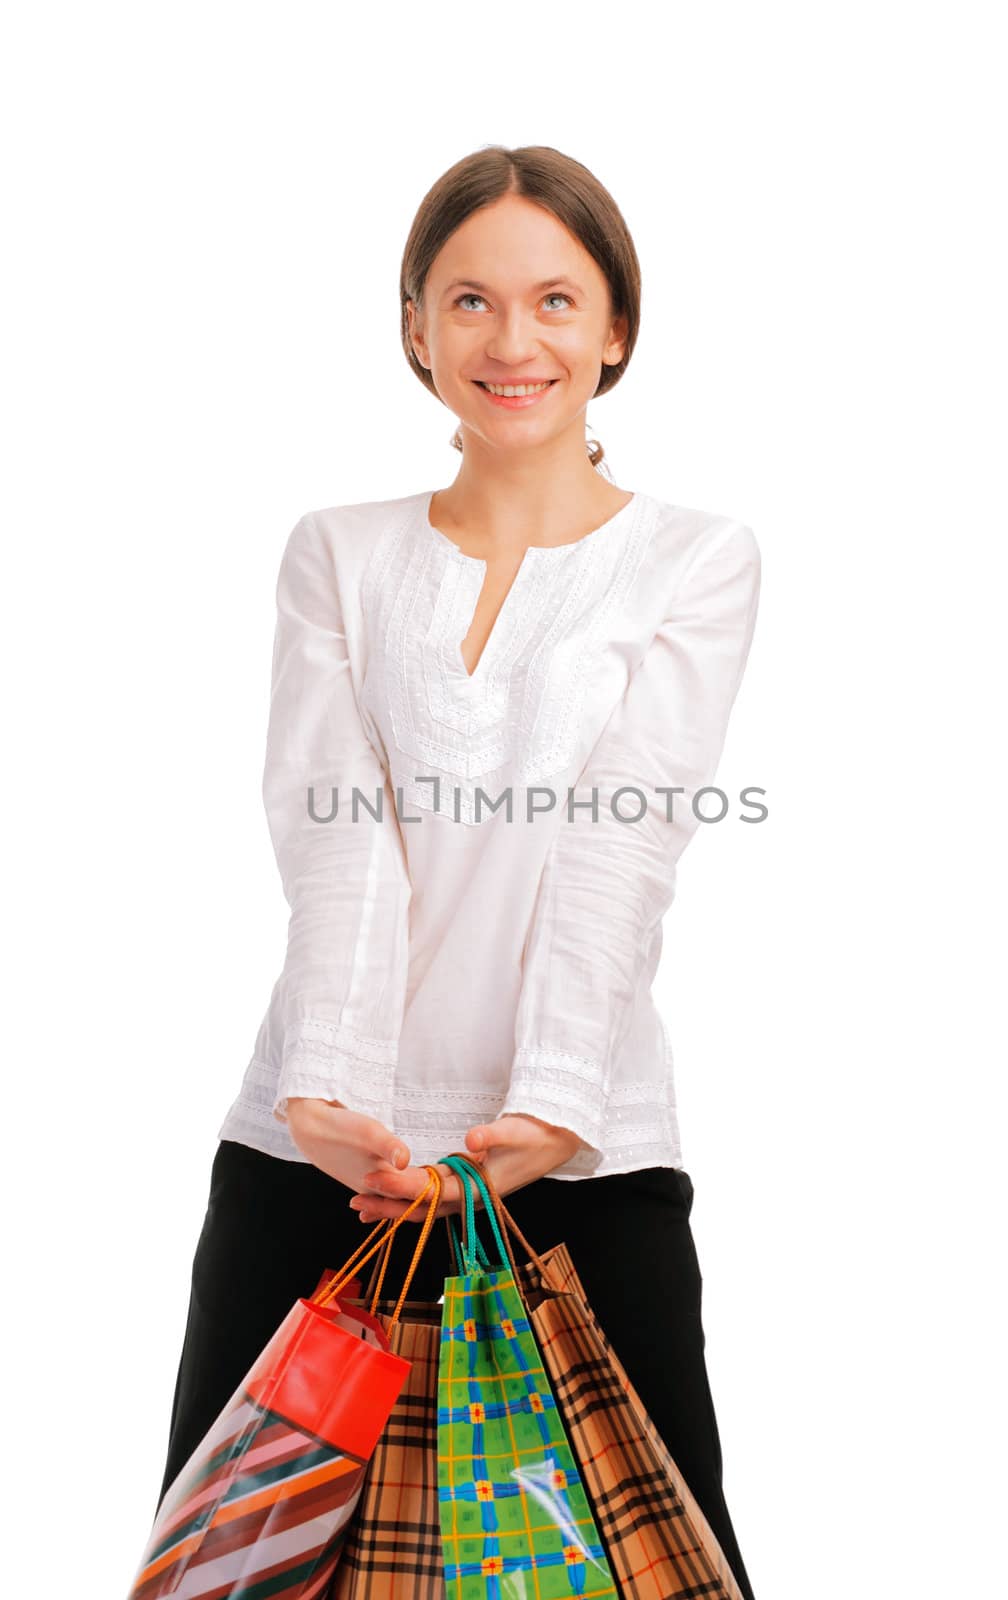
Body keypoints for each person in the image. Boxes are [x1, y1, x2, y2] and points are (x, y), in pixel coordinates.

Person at [155, 143, 762, 1599]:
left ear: (615, 329)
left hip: (578, 1154)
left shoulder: (697, 557)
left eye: (556, 300)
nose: (513, 341)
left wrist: (545, 1107)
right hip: (316, 1152)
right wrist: (336, 1095)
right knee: (233, 1570)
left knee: (652, 1566)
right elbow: (333, 822)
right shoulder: (339, 554)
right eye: (469, 301)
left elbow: (628, 834)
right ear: (416, 328)